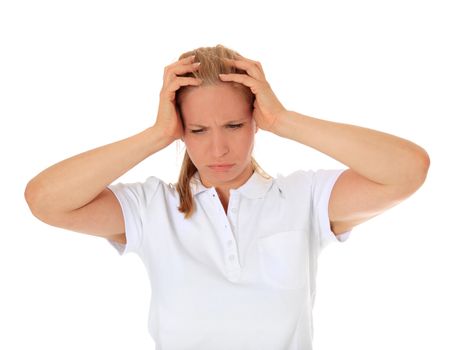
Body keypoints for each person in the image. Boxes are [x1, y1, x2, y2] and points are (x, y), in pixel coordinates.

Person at [24, 44, 430, 350]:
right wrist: (155, 136)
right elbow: (45, 200)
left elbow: (408, 170)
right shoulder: (151, 210)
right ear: (180, 129)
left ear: (257, 121)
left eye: (234, 125)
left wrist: (285, 120)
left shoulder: (304, 198)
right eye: (198, 130)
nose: (218, 149)